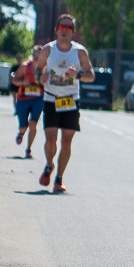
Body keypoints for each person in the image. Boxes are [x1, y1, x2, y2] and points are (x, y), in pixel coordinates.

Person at [36, 15, 95, 192]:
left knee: (67, 142)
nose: (64, 30)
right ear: (56, 30)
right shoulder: (47, 50)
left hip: (70, 99)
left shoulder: (80, 52)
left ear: (73, 32)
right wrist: (41, 77)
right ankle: (48, 165)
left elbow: (91, 76)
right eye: (61, 27)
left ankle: (59, 178)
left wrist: (76, 75)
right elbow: (38, 69)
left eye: (68, 28)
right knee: (51, 138)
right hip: (51, 97)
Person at [12, 47, 45, 158]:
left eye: (40, 54)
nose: (37, 56)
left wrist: (44, 83)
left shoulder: (45, 69)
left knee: (33, 124)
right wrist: (23, 82)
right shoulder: (25, 67)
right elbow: (14, 80)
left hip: (38, 99)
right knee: (24, 126)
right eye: (36, 53)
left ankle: (28, 149)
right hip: (23, 99)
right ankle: (21, 133)